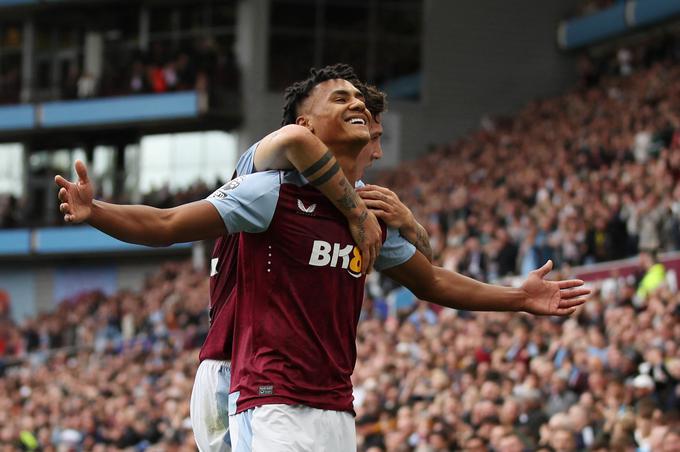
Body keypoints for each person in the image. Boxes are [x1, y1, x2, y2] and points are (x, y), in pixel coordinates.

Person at [56, 70, 590, 451]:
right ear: (308, 122)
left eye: (361, 103)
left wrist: (518, 296)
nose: (358, 110)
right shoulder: (267, 182)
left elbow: (429, 279)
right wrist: (97, 210)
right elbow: (169, 224)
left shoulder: (371, 206)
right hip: (250, 382)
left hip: (334, 402)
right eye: (341, 99)